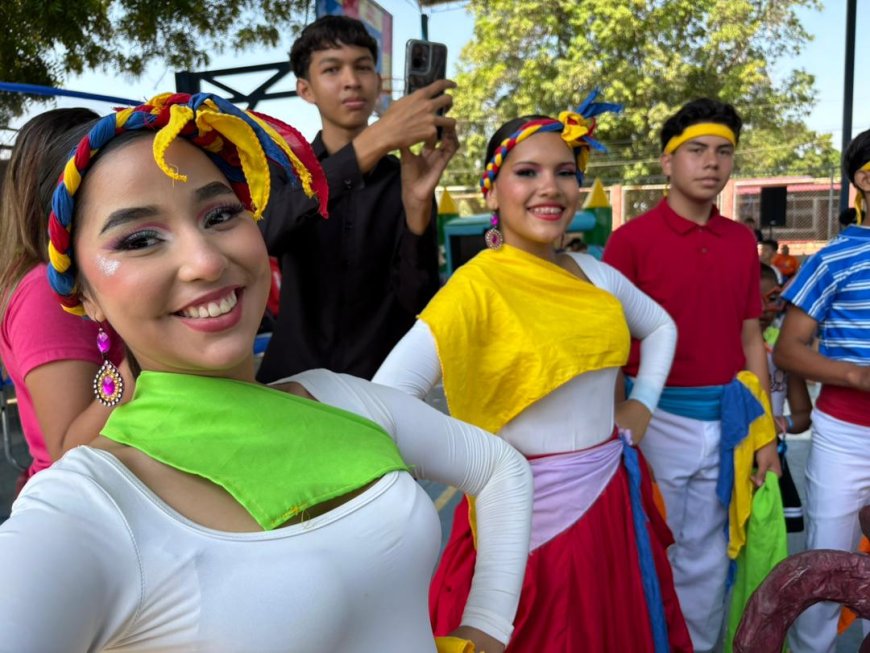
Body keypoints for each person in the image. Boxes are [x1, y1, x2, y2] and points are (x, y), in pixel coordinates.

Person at [0, 93, 533, 653]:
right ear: (84, 295)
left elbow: (500, 468)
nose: (206, 260)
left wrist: (488, 629)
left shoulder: (342, 399)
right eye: (139, 239)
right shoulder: (89, 507)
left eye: (221, 215)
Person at [375, 94, 693, 652]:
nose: (551, 187)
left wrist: (640, 404)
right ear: (491, 191)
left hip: (611, 504)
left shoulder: (595, 275)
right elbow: (387, 396)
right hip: (525, 521)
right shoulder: (477, 287)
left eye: (565, 172)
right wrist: (484, 466)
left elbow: (661, 326)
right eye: (527, 172)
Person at [603, 98, 780, 652]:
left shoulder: (739, 242)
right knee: (650, 547)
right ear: (667, 162)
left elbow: (752, 338)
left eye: (724, 152)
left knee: (708, 552)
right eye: (697, 150)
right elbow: (609, 348)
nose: (712, 163)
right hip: (655, 420)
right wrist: (614, 428)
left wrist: (766, 435)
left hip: (728, 423)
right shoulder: (630, 241)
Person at [257, 15, 457, 382]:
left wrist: (417, 209)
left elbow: (419, 302)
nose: (352, 81)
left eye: (363, 67)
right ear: (306, 90)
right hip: (292, 380)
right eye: (332, 69)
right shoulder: (285, 170)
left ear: (378, 82)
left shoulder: (407, 174)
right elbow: (267, 234)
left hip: (383, 383)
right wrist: (375, 141)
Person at [775, 127, 870, 653]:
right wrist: (858, 376)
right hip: (846, 435)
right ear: (864, 179)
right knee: (826, 566)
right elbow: (788, 349)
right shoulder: (832, 259)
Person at [0, 108, 128, 485]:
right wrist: (142, 361)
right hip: (89, 498)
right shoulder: (45, 289)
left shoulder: (67, 272)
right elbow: (68, 448)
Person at [759, 263, 810, 533]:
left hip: (772, 455)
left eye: (771, 299)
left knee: (770, 533)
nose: (761, 309)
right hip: (731, 456)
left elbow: (803, 415)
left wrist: (782, 424)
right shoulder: (722, 354)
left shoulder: (782, 350)